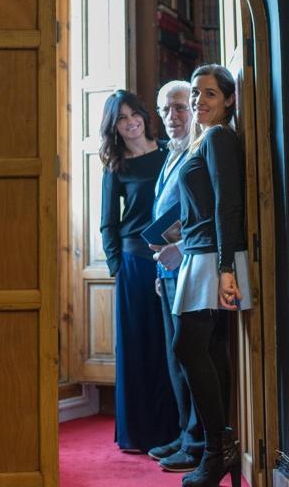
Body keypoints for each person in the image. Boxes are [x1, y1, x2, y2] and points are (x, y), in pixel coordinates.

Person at [173, 65, 245, 487]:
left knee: (187, 348)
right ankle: (220, 450)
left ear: (229, 100)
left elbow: (227, 204)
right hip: (199, 255)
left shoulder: (219, 137)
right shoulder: (203, 138)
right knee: (212, 350)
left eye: (211, 94)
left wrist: (225, 268)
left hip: (211, 260)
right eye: (197, 94)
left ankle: (216, 451)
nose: (200, 101)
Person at [99, 89, 179, 453]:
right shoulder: (117, 167)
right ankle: (138, 434)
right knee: (136, 346)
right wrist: (117, 266)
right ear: (113, 127)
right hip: (133, 263)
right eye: (121, 118)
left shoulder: (168, 152)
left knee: (169, 345)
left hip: (173, 256)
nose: (130, 122)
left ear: (145, 116)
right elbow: (107, 224)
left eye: (134, 114)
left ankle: (171, 432)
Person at [146, 81, 205, 473]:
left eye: (181, 107)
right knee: (174, 357)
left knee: (191, 358)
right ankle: (185, 434)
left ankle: (199, 442)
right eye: (166, 110)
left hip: (192, 266)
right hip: (166, 269)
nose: (173, 116)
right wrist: (160, 265)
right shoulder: (169, 154)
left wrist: (178, 251)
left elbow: (206, 212)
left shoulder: (201, 151)